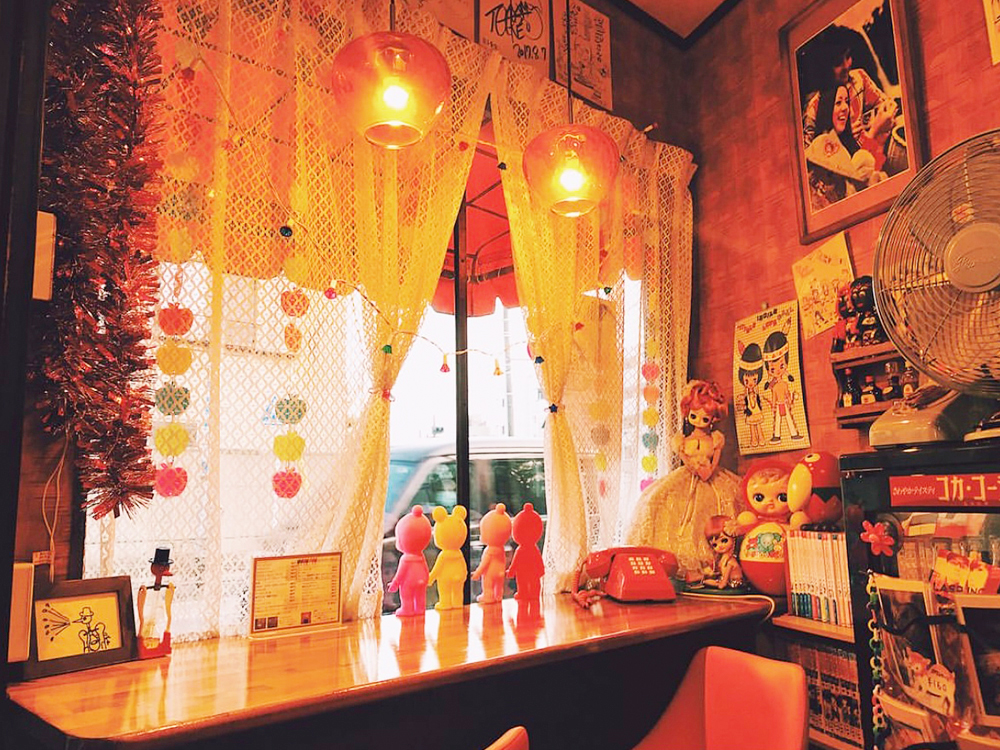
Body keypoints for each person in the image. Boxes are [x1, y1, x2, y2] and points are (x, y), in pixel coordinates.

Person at [624, 380, 741, 576]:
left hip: (710, 476)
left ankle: (715, 561)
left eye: (705, 418)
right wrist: (693, 466)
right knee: (660, 501)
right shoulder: (682, 441)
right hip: (688, 474)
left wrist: (708, 470)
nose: (699, 420)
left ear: (713, 419)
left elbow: (715, 461)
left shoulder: (715, 440)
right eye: (694, 415)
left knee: (713, 510)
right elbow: (684, 457)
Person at [802, 27, 897, 161]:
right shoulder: (813, 109)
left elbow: (887, 104)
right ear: (825, 68)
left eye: (848, 57)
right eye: (838, 63)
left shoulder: (859, 78)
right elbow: (811, 160)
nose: (846, 66)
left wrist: (885, 114)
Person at [805, 85, 887, 211]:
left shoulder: (848, 142)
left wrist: (879, 142)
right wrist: (873, 133)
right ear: (827, 109)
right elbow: (852, 181)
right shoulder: (822, 143)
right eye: (838, 103)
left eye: (847, 102)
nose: (845, 108)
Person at [762, 331, 804, 442]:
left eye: (781, 366)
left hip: (784, 403)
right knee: (777, 420)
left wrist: (789, 401)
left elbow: (787, 394)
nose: (777, 371)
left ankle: (794, 434)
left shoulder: (785, 384)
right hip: (778, 404)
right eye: (772, 369)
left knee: (789, 418)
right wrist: (773, 406)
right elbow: (774, 397)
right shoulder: (774, 387)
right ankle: (776, 435)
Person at [701, 515, 745, 590]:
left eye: (724, 540)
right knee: (706, 581)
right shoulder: (723, 559)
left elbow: (724, 581)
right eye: (715, 545)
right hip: (726, 580)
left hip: (734, 583)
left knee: (708, 582)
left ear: (733, 537)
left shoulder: (730, 560)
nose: (720, 546)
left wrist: (721, 583)